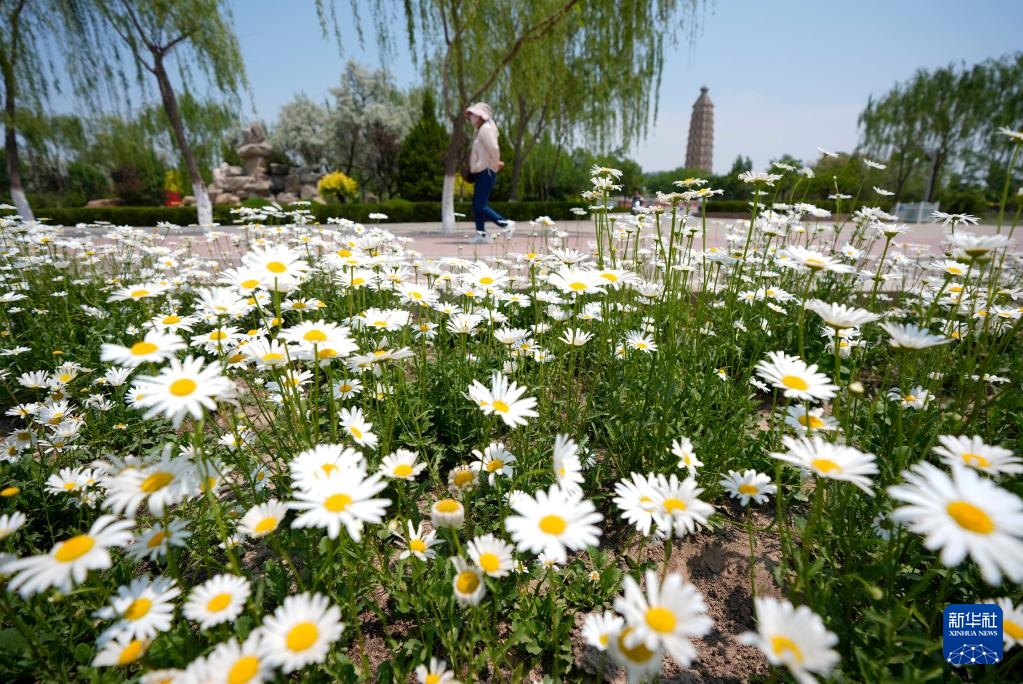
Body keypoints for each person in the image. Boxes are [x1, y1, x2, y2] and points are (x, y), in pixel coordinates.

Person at [464, 102, 514, 243]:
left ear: (481, 115)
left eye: (473, 114)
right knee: (477, 205)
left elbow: (494, 148)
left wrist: (494, 165)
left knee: (480, 205)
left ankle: (505, 224)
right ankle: (481, 234)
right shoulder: (480, 130)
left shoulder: (486, 129)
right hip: (481, 171)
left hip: (486, 171)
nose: (471, 118)